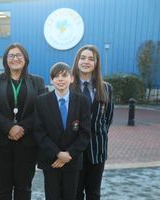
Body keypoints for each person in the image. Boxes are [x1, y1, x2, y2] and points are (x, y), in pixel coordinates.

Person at [0, 43, 46, 200]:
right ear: (6, 60)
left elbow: (41, 110)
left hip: (27, 143)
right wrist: (9, 128)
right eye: (11, 55)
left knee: (24, 188)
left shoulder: (37, 82)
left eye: (19, 55)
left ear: (25, 59)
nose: (15, 58)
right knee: (1, 189)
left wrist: (21, 128)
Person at [34, 62, 91, 200]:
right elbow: (39, 132)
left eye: (64, 75)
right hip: (51, 160)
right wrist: (58, 153)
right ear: (51, 80)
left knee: (70, 196)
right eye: (56, 76)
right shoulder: (41, 101)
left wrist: (69, 154)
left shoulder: (82, 101)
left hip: (72, 160)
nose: (60, 79)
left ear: (71, 78)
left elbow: (85, 133)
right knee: (52, 196)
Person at [71, 45, 114, 200]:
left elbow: (107, 119)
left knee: (94, 193)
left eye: (91, 59)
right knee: (75, 193)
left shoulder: (106, 88)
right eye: (82, 58)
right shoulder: (68, 87)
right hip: (74, 150)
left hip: (97, 150)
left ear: (96, 63)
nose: (86, 61)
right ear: (77, 61)